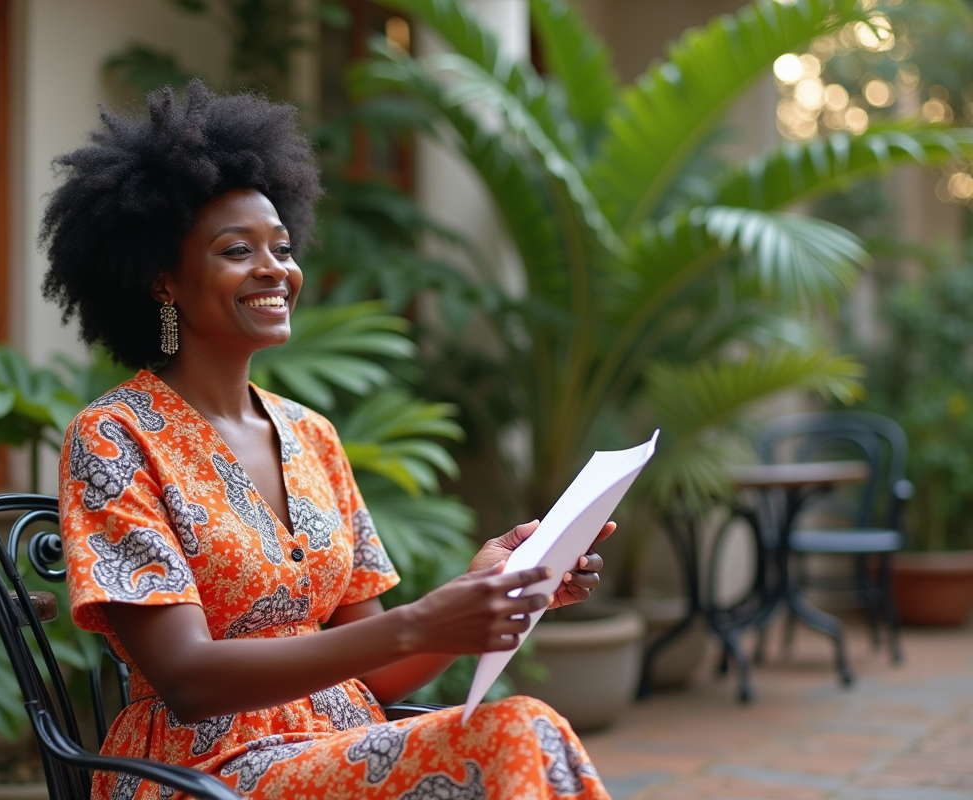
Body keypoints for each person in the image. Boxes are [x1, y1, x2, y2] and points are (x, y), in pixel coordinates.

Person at [44, 80, 615, 800]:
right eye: (236, 249)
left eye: (282, 247)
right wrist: (414, 624)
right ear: (164, 282)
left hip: (344, 746)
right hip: (203, 772)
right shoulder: (115, 436)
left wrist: (489, 592)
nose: (274, 269)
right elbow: (187, 681)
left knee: (526, 732)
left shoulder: (311, 437)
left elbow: (380, 674)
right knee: (514, 734)